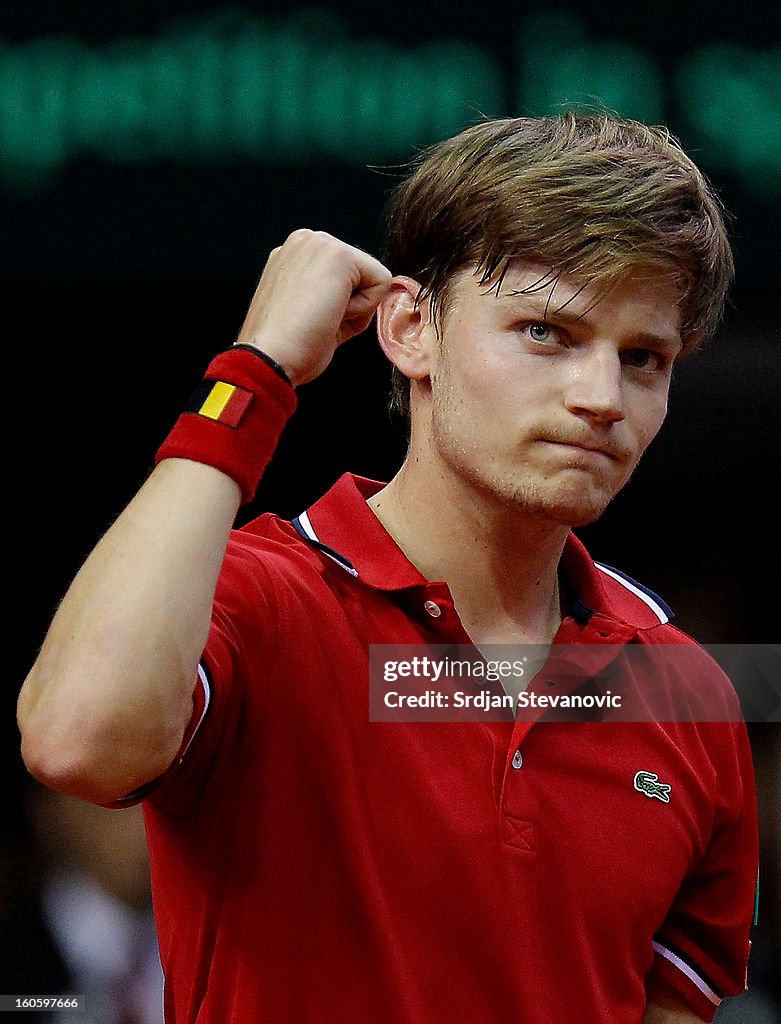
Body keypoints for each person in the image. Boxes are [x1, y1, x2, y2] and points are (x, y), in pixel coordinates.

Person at [17, 114, 759, 1024]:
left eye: (642, 357)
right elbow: (75, 743)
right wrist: (256, 370)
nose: (601, 397)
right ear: (410, 327)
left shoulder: (685, 690)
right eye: (545, 333)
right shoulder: (257, 594)